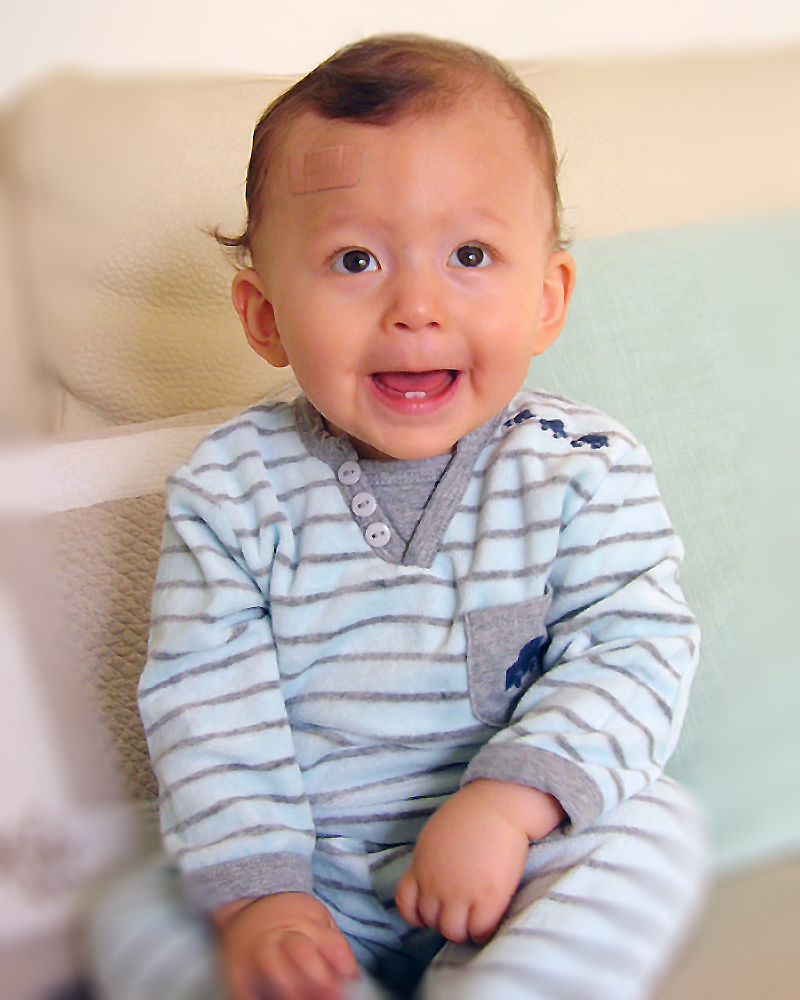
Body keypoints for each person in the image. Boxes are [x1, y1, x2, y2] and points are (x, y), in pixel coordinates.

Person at [123, 34, 705, 1000]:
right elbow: (204, 703)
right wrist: (263, 900)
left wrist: (509, 804)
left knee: (655, 827)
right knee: (135, 906)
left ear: (547, 298)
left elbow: (636, 649)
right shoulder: (230, 490)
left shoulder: (584, 468)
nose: (416, 306)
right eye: (355, 259)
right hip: (310, 877)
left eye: (469, 254)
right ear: (264, 315)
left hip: (519, 856)